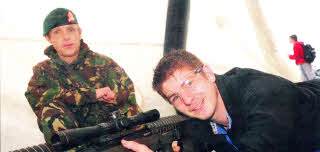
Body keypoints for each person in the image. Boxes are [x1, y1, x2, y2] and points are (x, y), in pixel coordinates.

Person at [122, 50, 320, 152]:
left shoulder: (263, 94)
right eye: (175, 97)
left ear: (208, 73)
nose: (188, 99)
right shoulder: (198, 119)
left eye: (189, 83)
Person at [25, 8, 142, 151]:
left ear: (79, 33)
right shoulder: (42, 72)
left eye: (70, 30)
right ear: (49, 39)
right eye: (57, 32)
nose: (66, 37)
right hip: (74, 144)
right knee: (50, 111)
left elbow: (129, 98)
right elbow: (40, 101)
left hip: (113, 140)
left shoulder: (104, 64)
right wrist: (92, 94)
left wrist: (115, 97)